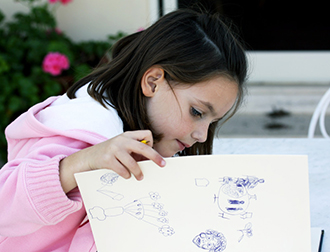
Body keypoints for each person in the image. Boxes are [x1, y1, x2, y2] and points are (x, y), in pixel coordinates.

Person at [0, 8, 247, 252]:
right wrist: (82, 162)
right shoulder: (82, 130)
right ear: (153, 82)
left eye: (212, 122)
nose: (202, 135)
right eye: (197, 112)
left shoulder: (145, 143)